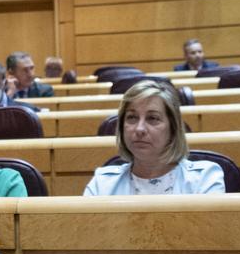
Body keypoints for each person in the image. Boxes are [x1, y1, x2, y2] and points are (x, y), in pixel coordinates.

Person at [84, 80, 225, 195]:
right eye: (132, 117)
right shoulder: (102, 184)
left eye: (152, 118)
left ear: (173, 128)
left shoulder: (204, 179)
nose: (139, 129)